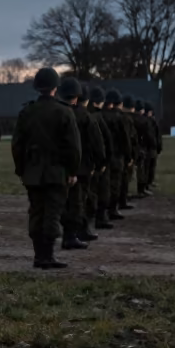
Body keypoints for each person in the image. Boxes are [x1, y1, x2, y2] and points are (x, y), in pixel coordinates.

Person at [11, 67, 81, 270]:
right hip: (57, 172)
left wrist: (21, 169)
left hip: (32, 172)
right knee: (52, 213)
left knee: (36, 212)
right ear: (55, 87)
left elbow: (17, 145)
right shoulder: (64, 111)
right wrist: (72, 171)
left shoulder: (27, 112)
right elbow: (73, 147)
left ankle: (38, 255)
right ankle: (47, 256)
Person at [57, 77, 104, 249]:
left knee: (64, 201)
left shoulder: (58, 112)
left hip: (58, 165)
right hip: (82, 166)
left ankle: (71, 231)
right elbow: (95, 141)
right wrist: (100, 162)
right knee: (78, 201)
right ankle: (73, 234)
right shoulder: (84, 116)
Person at [100, 89, 132, 220]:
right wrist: (129, 156)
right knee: (116, 183)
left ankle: (102, 211)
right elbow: (125, 138)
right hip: (117, 155)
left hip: (103, 155)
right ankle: (113, 209)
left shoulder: (99, 116)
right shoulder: (121, 118)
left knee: (103, 184)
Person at [86, 87, 115, 230]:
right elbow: (104, 140)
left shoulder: (85, 114)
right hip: (98, 159)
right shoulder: (98, 117)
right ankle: (100, 217)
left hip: (84, 160)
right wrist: (104, 160)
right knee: (102, 189)